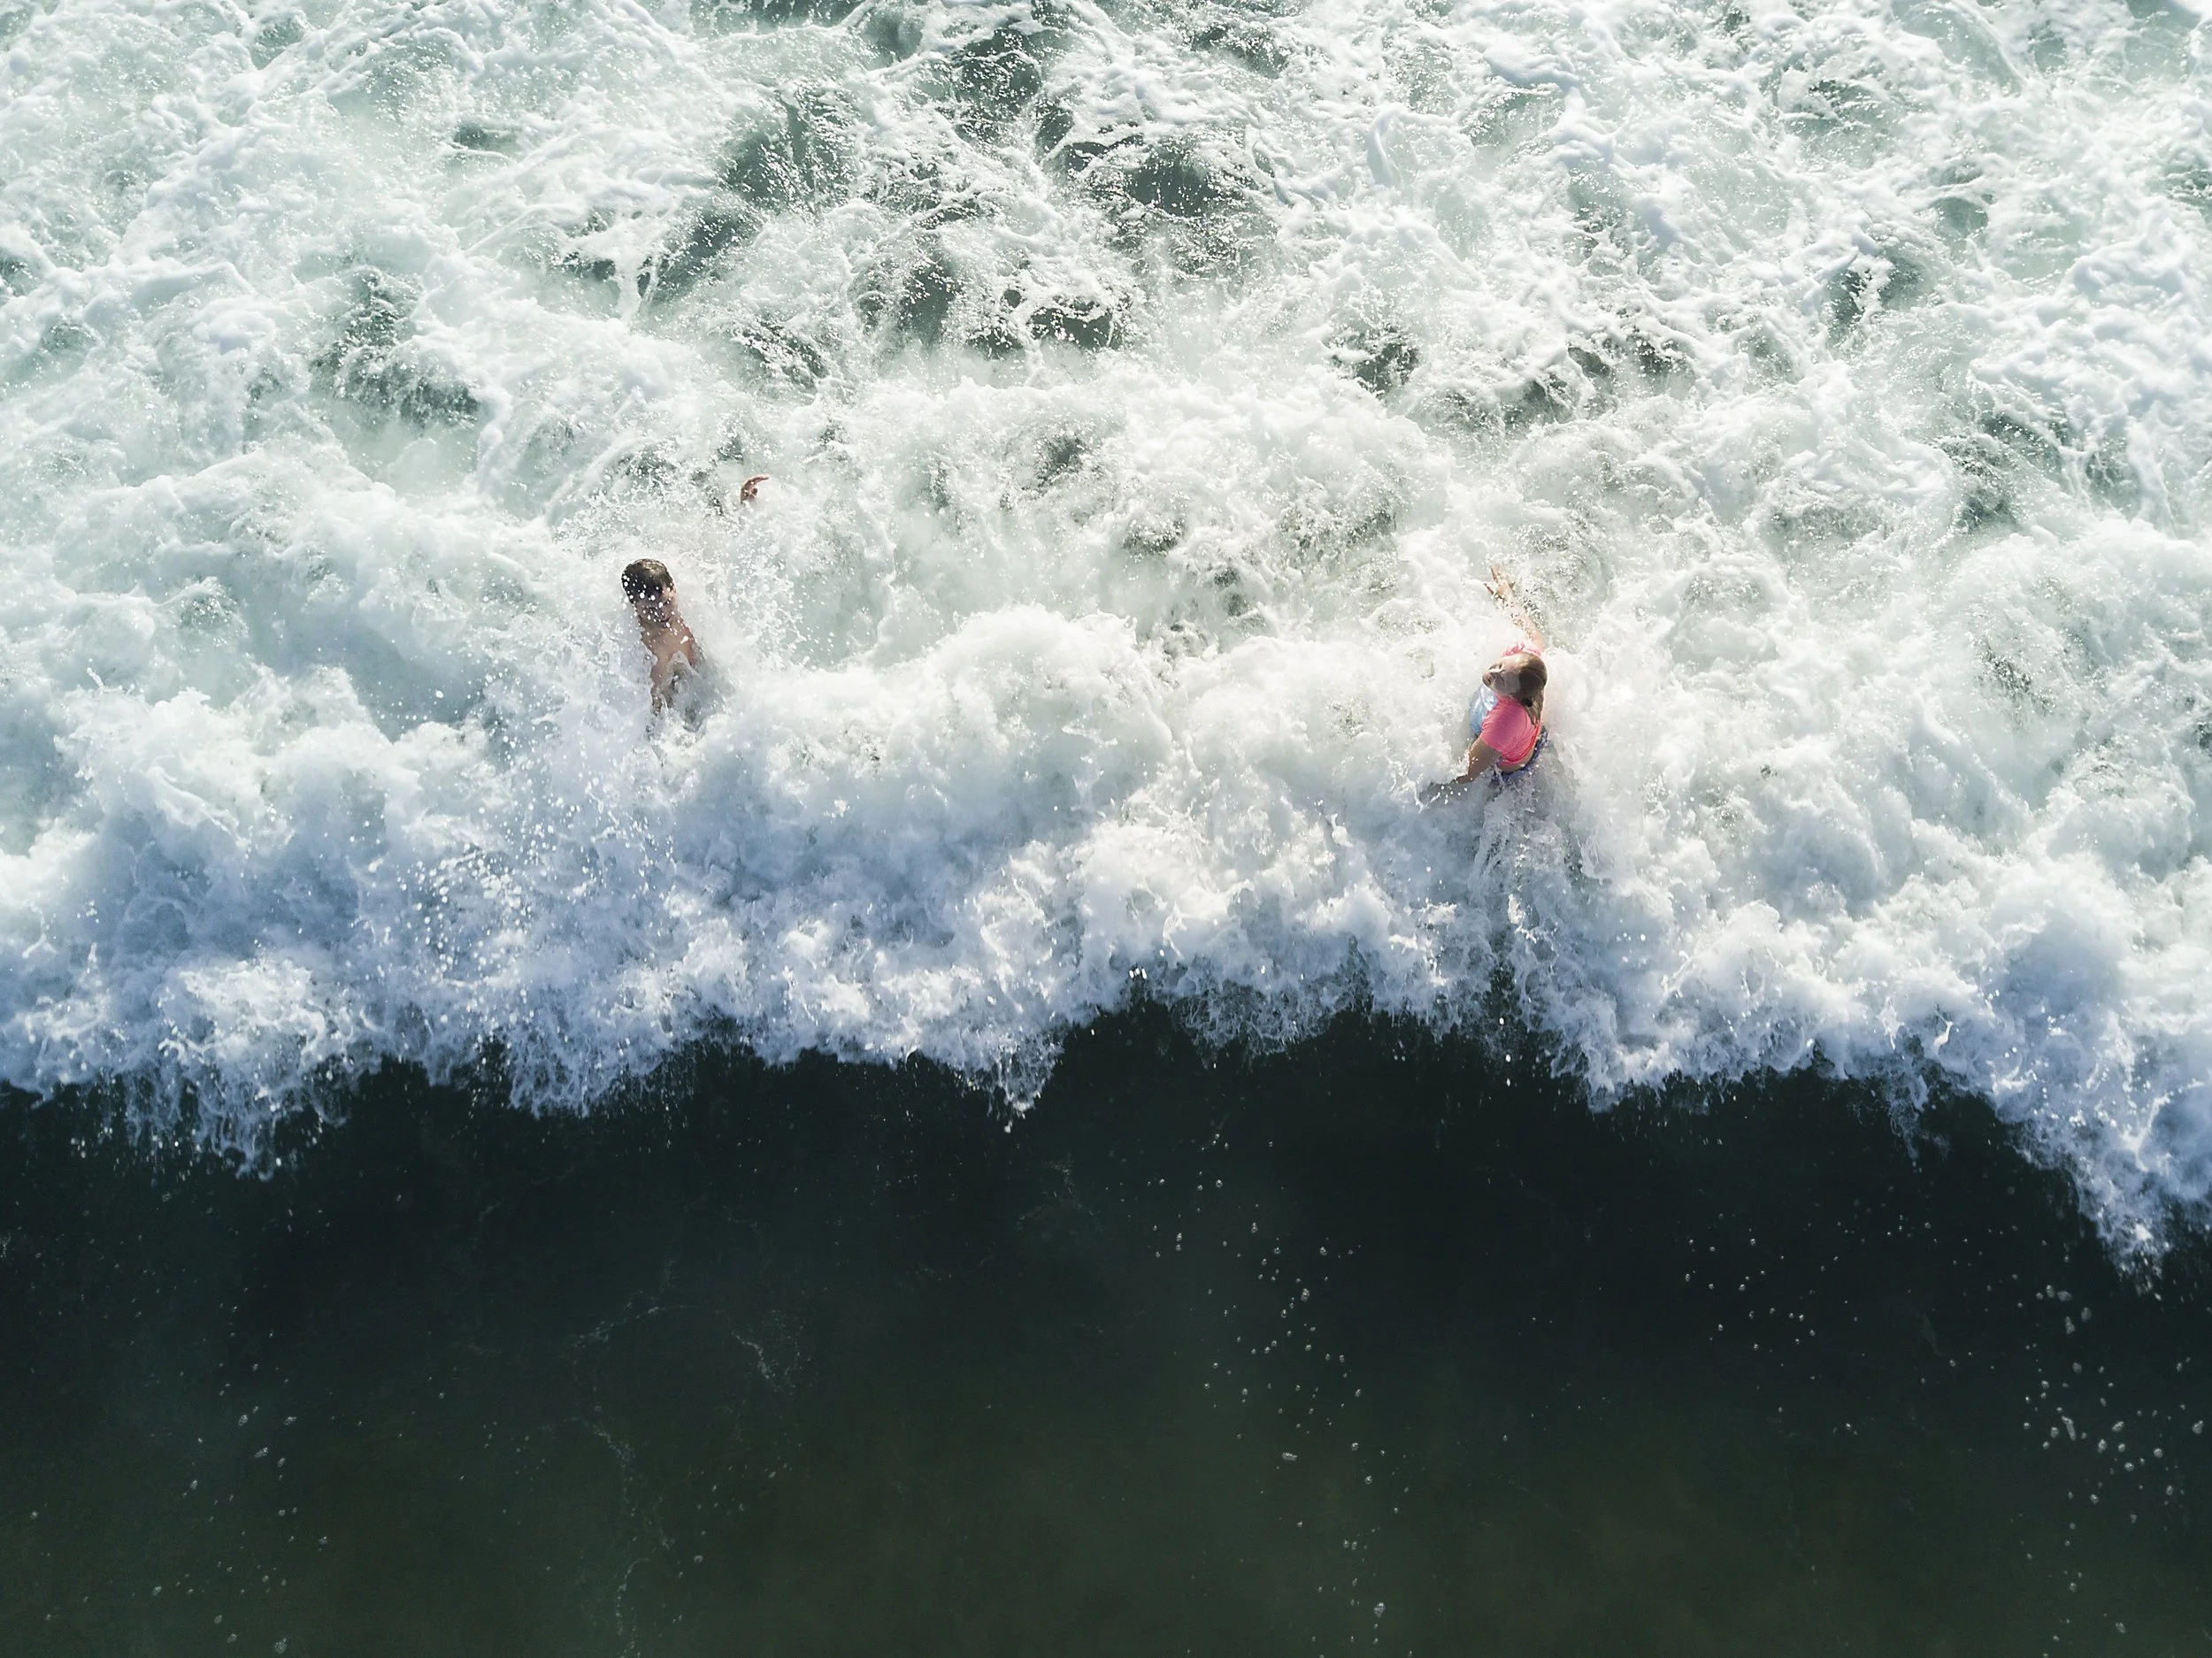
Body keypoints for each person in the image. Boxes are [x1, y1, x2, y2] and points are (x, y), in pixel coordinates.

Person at [1436, 563, 1548, 794]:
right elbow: (1536, 637)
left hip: (1511, 768)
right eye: (1499, 666)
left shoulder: (1504, 722)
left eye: (1502, 681)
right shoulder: (1524, 659)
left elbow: (1467, 774)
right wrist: (1506, 594)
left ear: (1514, 697)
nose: (1492, 674)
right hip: (1519, 734)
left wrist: (1432, 784)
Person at [620, 557, 703, 714]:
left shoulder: (693, 610)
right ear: (635, 605)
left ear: (673, 588)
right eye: (650, 610)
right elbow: (658, 715)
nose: (662, 614)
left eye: (666, 602)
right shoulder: (648, 649)